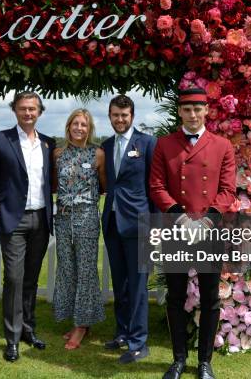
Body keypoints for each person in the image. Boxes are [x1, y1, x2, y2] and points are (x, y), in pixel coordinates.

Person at [149, 88, 236, 379]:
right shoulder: (165, 144)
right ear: (180, 112)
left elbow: (228, 190)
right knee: (175, 297)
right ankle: (178, 359)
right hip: (177, 230)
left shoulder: (222, 145)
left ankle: (205, 363)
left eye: (198, 109)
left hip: (209, 232)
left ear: (207, 110)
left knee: (210, 298)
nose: (193, 114)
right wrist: (181, 218)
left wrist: (206, 221)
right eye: (187, 109)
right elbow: (157, 186)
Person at [0, 91, 55, 362]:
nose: (28, 113)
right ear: (14, 110)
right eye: (23, 108)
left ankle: (28, 329)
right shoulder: (0, 140)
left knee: (31, 279)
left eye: (33, 109)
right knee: (14, 278)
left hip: (41, 219)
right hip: (14, 220)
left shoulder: (48, 143)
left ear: (40, 112)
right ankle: (11, 339)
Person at [101, 95, 156, 363]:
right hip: (112, 223)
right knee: (120, 284)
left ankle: (139, 342)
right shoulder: (106, 145)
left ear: (132, 116)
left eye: (124, 115)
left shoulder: (147, 144)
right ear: (109, 116)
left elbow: (154, 187)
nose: (120, 119)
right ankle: (122, 332)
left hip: (138, 223)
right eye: (115, 115)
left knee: (138, 286)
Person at [52, 108, 106, 350]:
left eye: (83, 125)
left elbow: (103, 184)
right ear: (68, 126)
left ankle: (81, 326)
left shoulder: (98, 154)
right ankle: (76, 320)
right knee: (66, 268)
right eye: (75, 124)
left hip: (86, 219)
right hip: (62, 219)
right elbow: (54, 185)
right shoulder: (58, 153)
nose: (79, 128)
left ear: (89, 128)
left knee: (85, 270)